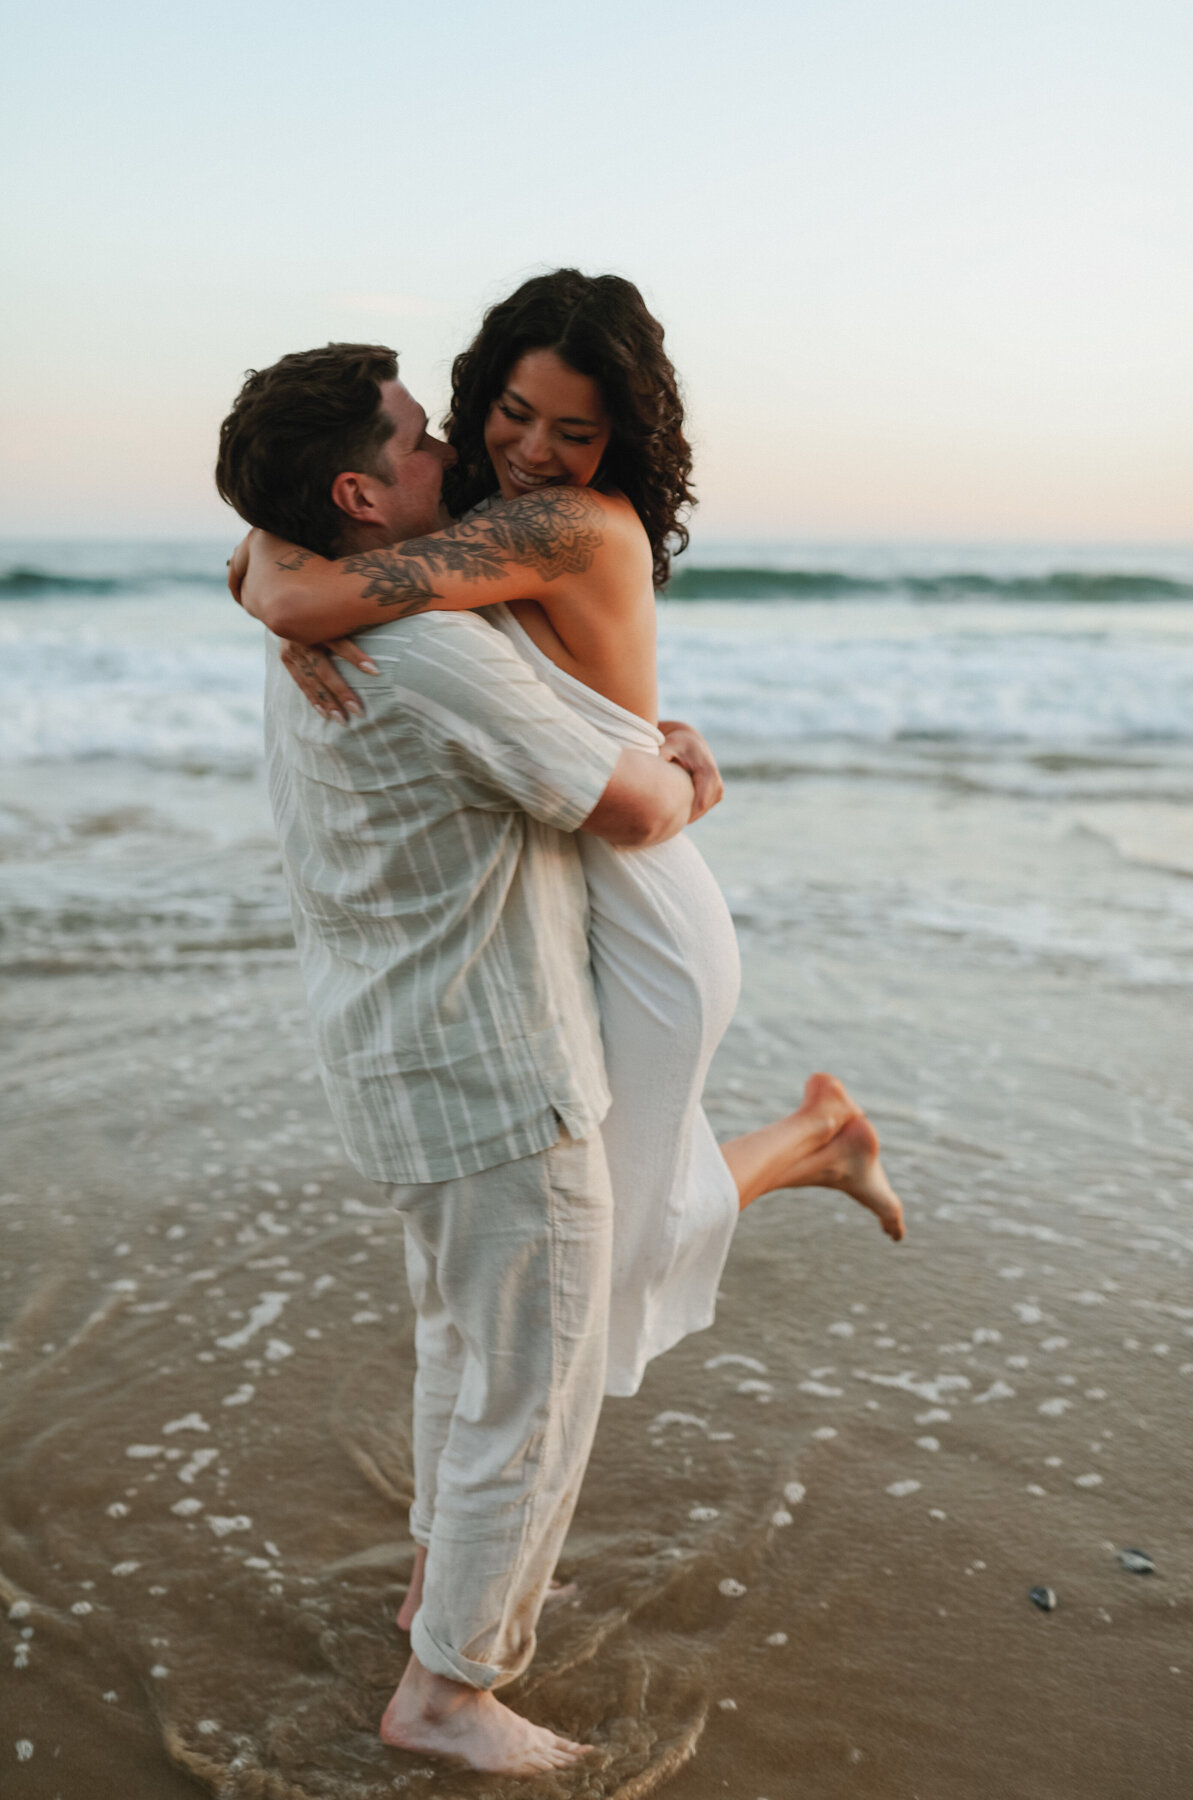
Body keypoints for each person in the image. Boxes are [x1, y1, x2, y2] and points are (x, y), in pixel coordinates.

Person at [217, 314, 900, 1776]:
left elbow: (289, 581)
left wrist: (269, 573)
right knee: (538, 1365)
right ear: (355, 498)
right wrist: (681, 772)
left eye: (563, 427)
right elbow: (636, 808)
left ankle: (439, 1590)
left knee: (484, 1332)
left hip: (405, 1054)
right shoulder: (415, 640)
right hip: (499, 1057)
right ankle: (451, 1687)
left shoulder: (362, 617)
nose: (469, 449)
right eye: (429, 434)